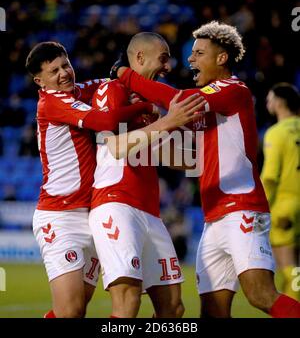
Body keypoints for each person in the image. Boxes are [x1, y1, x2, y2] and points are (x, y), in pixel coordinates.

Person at [111, 21, 300, 318]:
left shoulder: (233, 90)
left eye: (199, 53)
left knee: (260, 294)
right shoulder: (209, 108)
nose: (190, 59)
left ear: (221, 58)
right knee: (212, 311)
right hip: (214, 217)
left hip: (241, 209)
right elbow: (190, 158)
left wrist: (126, 75)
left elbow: (179, 100)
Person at [26, 41, 203, 318]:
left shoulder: (81, 90)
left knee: (169, 308)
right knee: (73, 311)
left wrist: (124, 75)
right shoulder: (52, 100)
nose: (64, 73)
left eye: (66, 65)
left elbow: (107, 79)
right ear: (40, 81)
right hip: (60, 214)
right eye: (54, 71)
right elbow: (108, 124)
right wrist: (148, 106)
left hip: (91, 212)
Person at [89, 32, 201, 318]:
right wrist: (168, 122)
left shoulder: (151, 109)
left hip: (150, 212)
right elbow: (114, 146)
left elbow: (174, 158)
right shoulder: (112, 89)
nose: (168, 67)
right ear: (139, 58)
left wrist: (211, 150)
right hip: (117, 204)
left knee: (173, 309)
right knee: (127, 304)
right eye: (163, 59)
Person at [261, 83, 300, 301]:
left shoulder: (276, 133)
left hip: (284, 208)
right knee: (297, 270)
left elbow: (270, 177)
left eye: (269, 98)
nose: (268, 103)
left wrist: (259, 205)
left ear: (278, 103)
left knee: (290, 269)